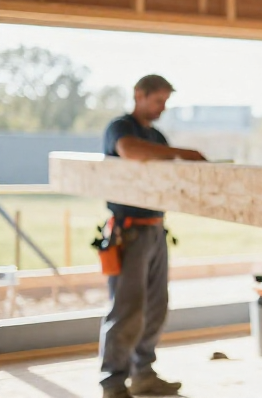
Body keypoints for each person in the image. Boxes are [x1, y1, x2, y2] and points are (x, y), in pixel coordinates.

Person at [100, 75, 205, 398]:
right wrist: (183, 153)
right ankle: (113, 382)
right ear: (139, 95)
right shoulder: (121, 128)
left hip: (155, 228)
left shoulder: (156, 136)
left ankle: (143, 374)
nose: (162, 108)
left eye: (165, 101)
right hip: (128, 231)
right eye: (158, 100)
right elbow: (129, 151)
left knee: (156, 307)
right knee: (127, 308)